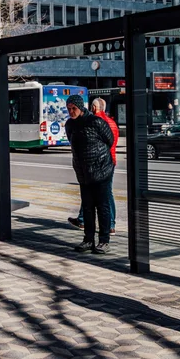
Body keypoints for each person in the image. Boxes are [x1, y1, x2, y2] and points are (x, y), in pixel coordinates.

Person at [64, 94, 115, 254]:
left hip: (101, 171)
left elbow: (110, 140)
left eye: (74, 108)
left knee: (103, 207)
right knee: (87, 208)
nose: (71, 111)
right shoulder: (69, 125)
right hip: (84, 173)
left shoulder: (95, 122)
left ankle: (104, 240)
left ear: (81, 108)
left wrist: (100, 159)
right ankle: (88, 239)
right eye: (69, 109)